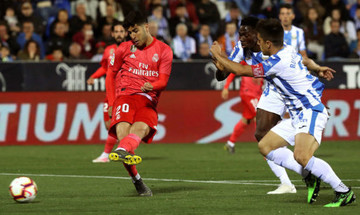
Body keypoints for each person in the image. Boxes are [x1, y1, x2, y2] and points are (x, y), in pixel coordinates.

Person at [211, 18, 356, 207]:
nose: (244, 38)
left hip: (309, 110)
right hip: (291, 106)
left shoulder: (276, 61)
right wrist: (317, 68)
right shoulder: (283, 51)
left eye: (258, 39)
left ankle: (343, 190)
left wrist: (217, 54)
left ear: (265, 41)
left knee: (302, 156)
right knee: (264, 146)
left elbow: (240, 69)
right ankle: (308, 174)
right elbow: (301, 59)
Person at [220, 16, 296, 195]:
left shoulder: (276, 49)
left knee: (274, 135)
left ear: (258, 35)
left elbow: (299, 61)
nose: (242, 38)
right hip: (269, 91)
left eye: (246, 34)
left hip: (290, 87)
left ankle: (309, 171)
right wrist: (221, 70)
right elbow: (230, 69)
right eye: (240, 34)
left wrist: (217, 55)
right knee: (262, 136)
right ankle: (287, 182)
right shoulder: (243, 47)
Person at [106, 11, 173, 197]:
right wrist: (111, 102)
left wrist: (153, 85)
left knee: (141, 129)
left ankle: (123, 150)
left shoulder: (164, 50)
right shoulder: (123, 49)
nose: (132, 36)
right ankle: (137, 181)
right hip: (125, 97)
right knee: (123, 134)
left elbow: (163, 81)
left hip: (148, 100)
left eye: (135, 31)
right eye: (130, 32)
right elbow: (110, 74)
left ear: (146, 27)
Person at [88, 22, 127, 163]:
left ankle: (108, 154)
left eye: (121, 31)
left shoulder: (131, 50)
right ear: (112, 34)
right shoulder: (108, 50)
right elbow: (105, 68)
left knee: (116, 125)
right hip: (111, 93)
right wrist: (93, 76)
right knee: (108, 125)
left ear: (126, 33)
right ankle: (121, 149)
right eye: (116, 31)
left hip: (124, 93)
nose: (119, 34)